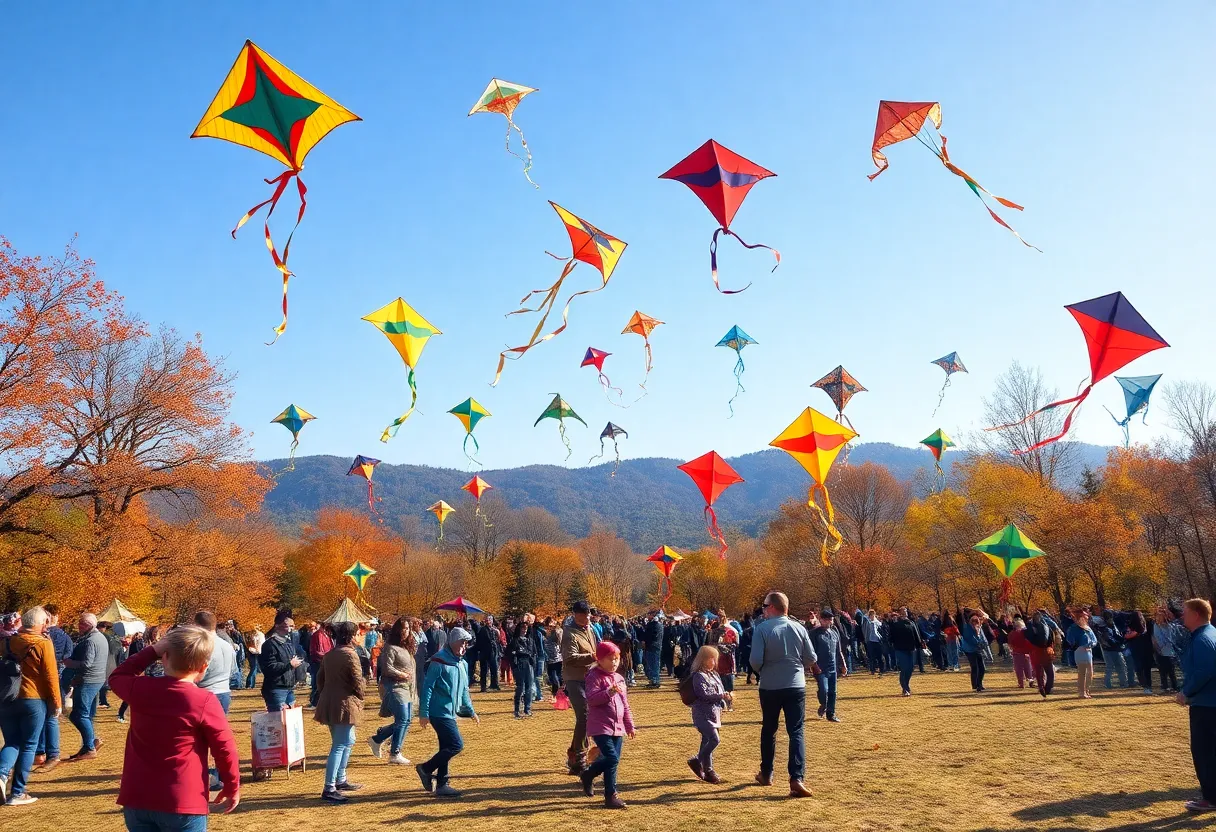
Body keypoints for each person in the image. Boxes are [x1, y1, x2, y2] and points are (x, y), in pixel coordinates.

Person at [110, 625, 239, 829]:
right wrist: (232, 786)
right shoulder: (203, 700)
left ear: (164, 658)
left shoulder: (141, 689)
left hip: (138, 797)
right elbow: (225, 749)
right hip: (183, 799)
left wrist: (151, 651)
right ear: (204, 667)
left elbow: (118, 676)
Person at [749, 591, 816, 798]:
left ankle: (767, 773)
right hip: (796, 685)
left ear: (772, 607)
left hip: (769, 686)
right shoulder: (799, 627)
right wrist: (796, 669)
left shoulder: (762, 629)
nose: (763, 609)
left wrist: (765, 672)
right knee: (796, 731)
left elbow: (755, 660)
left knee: (769, 729)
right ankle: (797, 778)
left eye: (764, 605)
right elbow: (811, 657)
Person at [0, 606, 61, 806]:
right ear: (40, 623)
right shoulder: (43, 644)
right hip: (33, 699)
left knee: (12, 742)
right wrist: (56, 703)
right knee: (29, 745)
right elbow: (51, 676)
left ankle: (1, 775)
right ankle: (17, 793)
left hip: (7, 698)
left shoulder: (7, 642)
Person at [416, 627, 479, 798]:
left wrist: (471, 711)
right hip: (439, 712)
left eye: (466, 643)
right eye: (462, 642)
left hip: (451, 713)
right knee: (456, 745)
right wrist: (424, 713)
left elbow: (464, 690)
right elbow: (427, 687)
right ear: (452, 642)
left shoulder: (462, 663)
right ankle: (425, 768)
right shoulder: (438, 661)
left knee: (445, 747)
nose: (464, 646)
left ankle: (442, 784)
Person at [579, 641, 634, 809]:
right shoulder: (593, 676)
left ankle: (610, 796)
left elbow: (625, 704)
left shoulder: (619, 678)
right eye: (610, 659)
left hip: (618, 726)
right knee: (612, 758)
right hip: (600, 726)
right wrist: (609, 692)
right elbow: (592, 699)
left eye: (617, 659)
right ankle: (588, 774)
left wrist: (629, 724)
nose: (615, 662)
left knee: (613, 762)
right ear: (600, 660)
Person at [312, 621, 364, 803]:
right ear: (350, 636)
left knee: (347, 740)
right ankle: (329, 787)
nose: (360, 637)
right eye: (358, 634)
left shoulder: (330, 654)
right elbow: (358, 680)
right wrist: (360, 695)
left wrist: (327, 694)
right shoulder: (350, 655)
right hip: (344, 704)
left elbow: (320, 680)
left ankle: (340, 779)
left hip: (329, 702)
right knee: (340, 745)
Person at [1176, 598, 1216, 813]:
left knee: (1204, 752)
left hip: (1207, 705)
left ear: (1196, 615)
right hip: (1209, 702)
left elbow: (1205, 671)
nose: (1183, 615)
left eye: (1185, 612)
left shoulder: (1203, 639)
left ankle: (1210, 798)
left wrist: (1186, 692)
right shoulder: (1210, 634)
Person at [193, 611, 236, 792]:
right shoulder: (227, 645)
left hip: (206, 693)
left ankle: (205, 776)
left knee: (199, 739)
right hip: (224, 691)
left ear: (197, 625)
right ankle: (219, 775)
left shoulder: (204, 646)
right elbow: (234, 671)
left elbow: (200, 673)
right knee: (219, 738)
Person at [62, 612, 109, 762]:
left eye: (81, 623)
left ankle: (89, 747)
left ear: (88, 625)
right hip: (96, 679)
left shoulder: (91, 641)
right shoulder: (99, 637)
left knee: (78, 715)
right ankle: (90, 744)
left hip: (88, 680)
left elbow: (87, 663)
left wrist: (69, 664)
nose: (78, 626)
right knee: (85, 714)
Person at [369, 619, 416, 766]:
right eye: (403, 628)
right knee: (402, 719)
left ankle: (378, 738)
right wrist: (401, 674)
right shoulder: (390, 647)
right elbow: (387, 668)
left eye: (408, 628)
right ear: (397, 630)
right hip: (395, 687)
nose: (406, 631)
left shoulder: (406, 647)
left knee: (407, 719)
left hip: (407, 687)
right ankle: (395, 753)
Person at [560, 600, 599, 775]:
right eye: (584, 614)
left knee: (589, 716)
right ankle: (580, 756)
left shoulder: (590, 629)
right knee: (584, 716)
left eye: (589, 614)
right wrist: (592, 656)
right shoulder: (569, 634)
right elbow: (569, 658)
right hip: (574, 679)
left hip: (589, 678)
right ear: (576, 615)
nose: (588, 617)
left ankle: (574, 754)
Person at [34, 604, 72, 772]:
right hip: (55, 676)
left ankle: (44, 752)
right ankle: (48, 753)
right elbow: (68, 657)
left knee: (44, 718)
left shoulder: (38, 635)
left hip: (39, 680)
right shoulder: (64, 636)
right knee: (50, 716)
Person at [687, 644, 729, 784]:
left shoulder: (714, 675)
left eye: (714, 659)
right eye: (711, 658)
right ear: (703, 659)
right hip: (702, 714)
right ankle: (697, 760)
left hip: (714, 713)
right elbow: (703, 694)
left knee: (706, 740)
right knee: (714, 739)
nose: (714, 661)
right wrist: (721, 696)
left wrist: (725, 698)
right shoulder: (699, 676)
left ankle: (708, 770)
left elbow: (719, 691)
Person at [260, 611, 302, 712]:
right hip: (276, 688)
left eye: (293, 626)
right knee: (278, 721)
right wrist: (289, 665)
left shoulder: (288, 642)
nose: (291, 629)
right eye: (288, 626)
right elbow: (269, 667)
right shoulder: (269, 644)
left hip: (289, 687)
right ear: (277, 626)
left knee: (291, 721)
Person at [809, 610, 846, 721]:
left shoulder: (834, 632)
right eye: (826, 620)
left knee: (832, 692)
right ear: (821, 620)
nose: (828, 622)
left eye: (830, 619)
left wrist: (843, 664)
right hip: (820, 668)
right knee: (824, 690)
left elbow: (838, 650)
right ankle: (823, 705)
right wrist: (814, 666)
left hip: (832, 667)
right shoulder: (814, 633)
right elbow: (811, 652)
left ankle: (831, 713)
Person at [888, 608, 924, 697]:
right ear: (900, 613)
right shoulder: (896, 624)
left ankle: (906, 684)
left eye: (906, 611)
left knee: (910, 668)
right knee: (905, 668)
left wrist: (920, 644)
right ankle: (905, 688)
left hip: (911, 649)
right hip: (900, 649)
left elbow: (917, 634)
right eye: (903, 611)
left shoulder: (911, 623)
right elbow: (891, 635)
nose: (905, 612)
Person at [507, 621, 537, 719]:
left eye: (526, 628)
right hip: (519, 664)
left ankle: (527, 709)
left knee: (529, 688)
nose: (524, 630)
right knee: (520, 687)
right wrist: (514, 665)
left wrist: (532, 662)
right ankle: (517, 710)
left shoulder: (530, 640)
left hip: (529, 664)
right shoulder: (515, 640)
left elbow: (533, 653)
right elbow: (510, 654)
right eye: (523, 628)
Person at [1067, 610, 1098, 699]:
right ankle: (1081, 692)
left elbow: (1094, 639)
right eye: (1084, 616)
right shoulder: (1073, 628)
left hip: (1089, 651)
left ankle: (1087, 690)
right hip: (1080, 651)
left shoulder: (1087, 628)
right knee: (1082, 673)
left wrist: (1091, 644)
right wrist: (1078, 645)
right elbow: (1070, 640)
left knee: (1090, 673)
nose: (1087, 617)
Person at [1097, 610, 1130, 689]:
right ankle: (1110, 684)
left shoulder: (1112, 626)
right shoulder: (1105, 628)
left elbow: (1115, 636)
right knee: (1114, 667)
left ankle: (1122, 683)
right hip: (1111, 649)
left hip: (1114, 649)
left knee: (1119, 667)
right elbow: (1109, 639)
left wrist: (1121, 640)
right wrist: (1119, 642)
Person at [1126, 611, 1156, 695]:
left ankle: (1145, 685)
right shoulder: (1148, 624)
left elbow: (1127, 636)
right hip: (1146, 648)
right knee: (1146, 668)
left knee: (1140, 668)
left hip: (1137, 648)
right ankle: (1147, 686)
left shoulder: (1132, 626)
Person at [959, 610, 989, 693]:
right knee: (975, 666)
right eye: (973, 620)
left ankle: (979, 683)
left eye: (977, 620)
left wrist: (984, 644)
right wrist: (978, 643)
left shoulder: (979, 628)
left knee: (982, 668)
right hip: (970, 650)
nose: (975, 622)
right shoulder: (967, 628)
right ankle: (976, 685)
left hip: (978, 649)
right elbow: (969, 638)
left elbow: (983, 638)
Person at [1153, 607, 1181, 693]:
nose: (1159, 618)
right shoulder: (1155, 626)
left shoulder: (1170, 626)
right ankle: (1164, 687)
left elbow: (1173, 637)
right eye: (1158, 616)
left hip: (1170, 651)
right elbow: (1154, 638)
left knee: (1171, 670)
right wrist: (1157, 648)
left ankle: (1174, 686)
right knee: (1162, 670)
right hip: (1160, 650)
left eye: (1160, 616)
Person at [307, 623, 334, 709]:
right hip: (319, 662)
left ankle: (320, 702)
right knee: (318, 682)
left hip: (325, 661)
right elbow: (318, 651)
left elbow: (330, 647)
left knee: (324, 682)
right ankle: (314, 702)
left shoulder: (327, 635)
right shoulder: (319, 635)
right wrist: (327, 657)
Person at [475, 615, 501, 693]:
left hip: (493, 652)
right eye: (487, 620)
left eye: (490, 620)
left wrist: (497, 632)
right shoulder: (482, 629)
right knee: (484, 670)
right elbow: (481, 641)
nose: (488, 621)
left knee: (494, 668)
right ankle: (483, 687)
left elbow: (497, 639)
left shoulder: (493, 630)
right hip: (485, 652)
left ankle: (494, 684)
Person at [1007, 616, 1035, 689]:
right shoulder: (1025, 632)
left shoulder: (1011, 633)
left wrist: (1011, 650)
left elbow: (1010, 644)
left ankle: (1021, 683)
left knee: (1019, 669)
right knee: (1028, 667)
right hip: (1026, 652)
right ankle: (1030, 680)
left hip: (1017, 653)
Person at [642, 611, 663, 688]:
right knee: (654, 663)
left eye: (648, 615)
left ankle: (655, 680)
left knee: (653, 664)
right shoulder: (659, 624)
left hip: (652, 646)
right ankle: (653, 680)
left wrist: (645, 641)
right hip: (656, 646)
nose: (647, 616)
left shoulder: (653, 625)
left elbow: (650, 636)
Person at [543, 618, 563, 696]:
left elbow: (559, 641)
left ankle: (557, 690)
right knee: (557, 674)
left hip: (553, 656)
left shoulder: (554, 632)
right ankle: (559, 690)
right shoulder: (558, 631)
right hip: (557, 655)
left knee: (553, 674)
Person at [245, 624, 264, 689]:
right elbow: (259, 644)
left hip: (255, 651)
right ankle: (250, 684)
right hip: (254, 652)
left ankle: (251, 684)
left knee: (254, 668)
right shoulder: (256, 635)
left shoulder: (256, 634)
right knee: (254, 668)